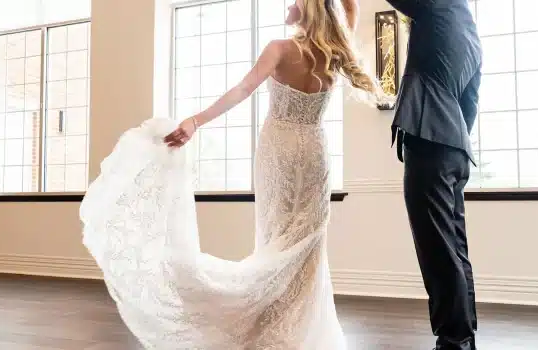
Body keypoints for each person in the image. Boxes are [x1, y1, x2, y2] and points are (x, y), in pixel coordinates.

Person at [79, 0, 385, 348]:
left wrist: (196, 121)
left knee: (277, 240)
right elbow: (349, 5)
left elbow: (242, 90)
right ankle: (294, 331)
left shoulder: (281, 49)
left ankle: (271, 326)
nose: (288, 4)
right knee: (305, 243)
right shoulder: (334, 51)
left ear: (310, 6)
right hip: (316, 153)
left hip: (278, 151)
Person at [386, 0, 482, 349]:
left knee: (438, 250)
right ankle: (463, 338)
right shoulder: (471, 34)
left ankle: (453, 341)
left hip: (429, 140)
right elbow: (470, 103)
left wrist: (435, 134)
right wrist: (451, 138)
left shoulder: (437, 5)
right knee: (454, 248)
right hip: (454, 148)